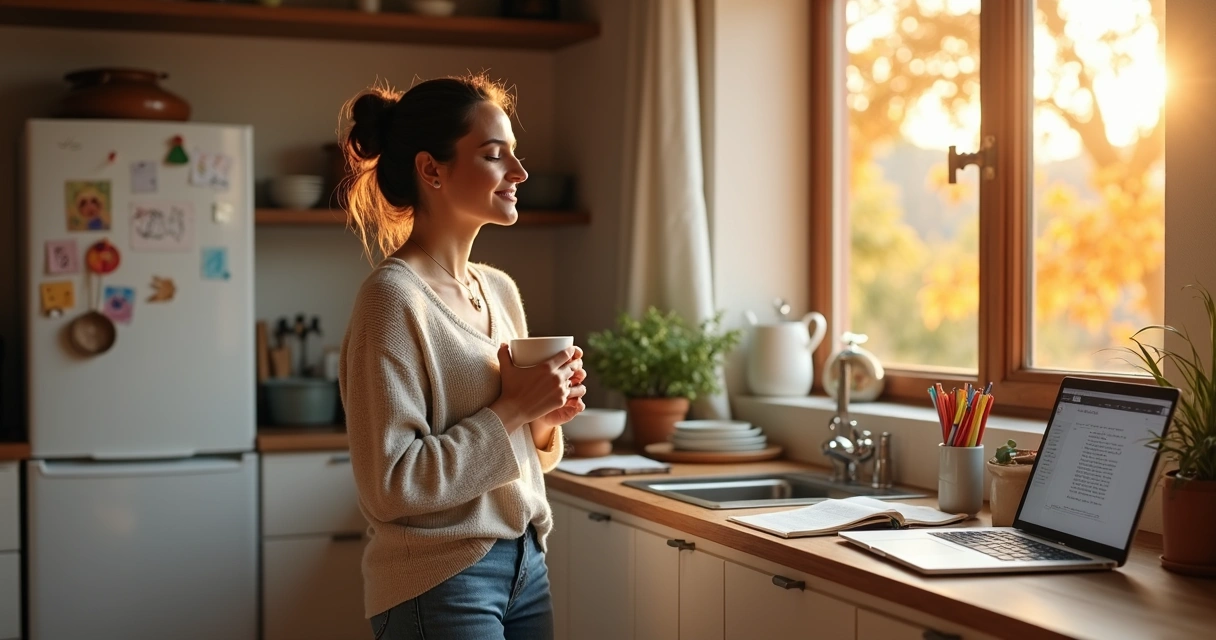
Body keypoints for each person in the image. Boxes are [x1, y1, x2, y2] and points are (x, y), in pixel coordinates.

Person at [336, 74, 587, 640]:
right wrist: (514, 411)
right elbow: (391, 484)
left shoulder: (499, 290)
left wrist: (544, 420)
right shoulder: (391, 299)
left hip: (526, 563)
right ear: (432, 170)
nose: (519, 174)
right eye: (495, 156)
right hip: (441, 579)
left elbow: (522, 457)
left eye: (514, 157)